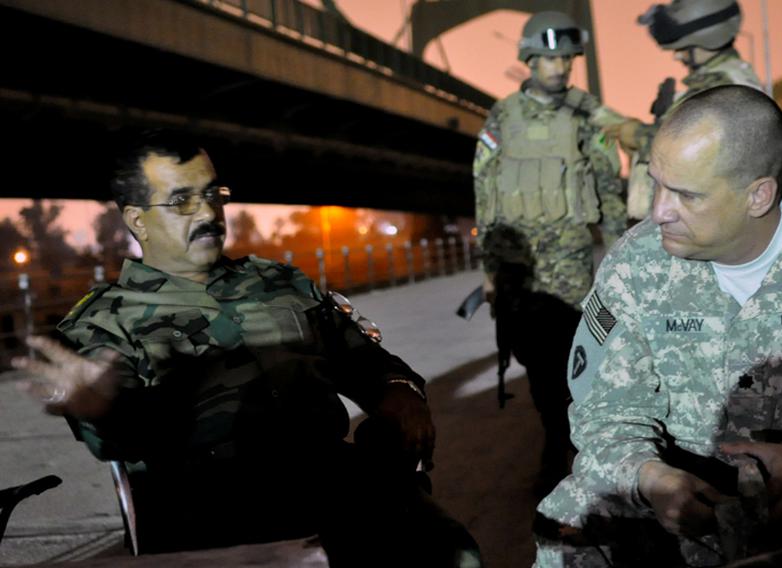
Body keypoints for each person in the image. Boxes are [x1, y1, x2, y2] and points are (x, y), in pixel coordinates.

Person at [10, 131, 480, 566]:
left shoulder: (281, 282)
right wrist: (103, 407)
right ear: (137, 219)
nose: (208, 213)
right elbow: (126, 431)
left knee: (453, 552)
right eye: (182, 200)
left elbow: (364, 360)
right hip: (213, 510)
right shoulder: (102, 323)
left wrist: (399, 390)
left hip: (336, 483)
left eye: (213, 194)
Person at [534, 86, 782, 567]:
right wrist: (648, 477)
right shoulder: (636, 261)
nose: (659, 211)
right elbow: (604, 413)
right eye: (656, 183)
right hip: (679, 504)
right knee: (571, 513)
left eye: (687, 195)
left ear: (758, 195)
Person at [472, 10, 625, 495]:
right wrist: (490, 272)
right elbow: (485, 192)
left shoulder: (586, 113)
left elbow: (606, 181)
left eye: (567, 60)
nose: (560, 69)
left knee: (577, 360)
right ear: (529, 61)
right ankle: (555, 434)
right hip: (521, 269)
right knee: (536, 366)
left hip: (571, 264)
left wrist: (621, 252)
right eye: (549, 60)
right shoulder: (502, 118)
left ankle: (567, 447)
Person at [605, 0, 762, 222]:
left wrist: (637, 134)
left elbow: (687, 147)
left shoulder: (720, 86)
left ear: (707, 39)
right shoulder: (735, 76)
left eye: (684, 49)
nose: (678, 57)